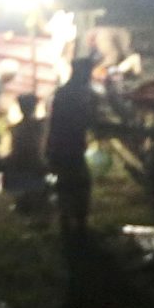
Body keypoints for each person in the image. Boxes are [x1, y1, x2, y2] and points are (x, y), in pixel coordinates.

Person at [48, 53, 99, 252]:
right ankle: (79, 222)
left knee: (65, 182)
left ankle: (67, 220)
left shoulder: (63, 92)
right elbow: (87, 119)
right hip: (71, 145)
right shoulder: (80, 93)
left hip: (61, 144)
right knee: (79, 182)